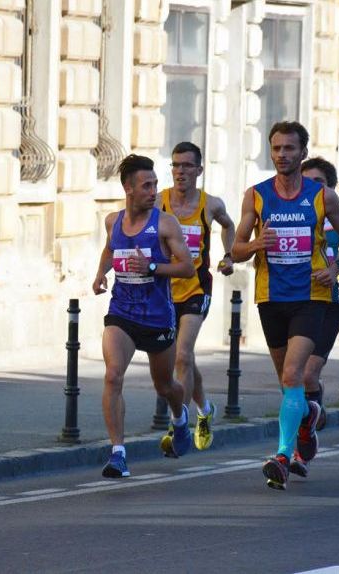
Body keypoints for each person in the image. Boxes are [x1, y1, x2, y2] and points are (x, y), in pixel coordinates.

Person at [231, 122, 339, 490]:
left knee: (292, 376)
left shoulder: (323, 197)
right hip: (271, 298)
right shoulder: (255, 196)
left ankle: (283, 456)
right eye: (276, 148)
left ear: (303, 152)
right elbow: (236, 250)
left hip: (310, 297)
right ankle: (308, 416)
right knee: (287, 385)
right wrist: (256, 245)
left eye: (289, 148)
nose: (282, 154)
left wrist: (336, 267)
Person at [92, 154, 196, 478]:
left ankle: (180, 418)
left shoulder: (165, 224)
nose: (153, 192)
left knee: (165, 386)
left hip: (157, 318)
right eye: (146, 186)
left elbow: (187, 267)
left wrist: (152, 266)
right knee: (113, 376)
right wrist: (100, 274)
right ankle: (118, 454)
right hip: (122, 312)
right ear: (128, 188)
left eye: (155, 184)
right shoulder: (113, 221)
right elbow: (110, 249)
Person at [156, 142, 236, 451]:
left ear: (199, 170)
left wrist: (229, 256)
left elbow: (228, 225)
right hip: (163, 292)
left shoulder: (210, 204)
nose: (180, 171)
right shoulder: (158, 201)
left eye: (187, 166)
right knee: (184, 360)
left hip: (196, 288)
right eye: (175, 165)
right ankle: (205, 409)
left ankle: (179, 426)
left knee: (182, 355)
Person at [298, 156, 339, 437]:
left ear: (331, 189)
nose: (312, 188)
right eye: (306, 182)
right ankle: (311, 411)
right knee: (294, 378)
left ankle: (307, 428)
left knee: (308, 374)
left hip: (327, 308)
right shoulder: (291, 219)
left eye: (319, 183)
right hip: (293, 305)